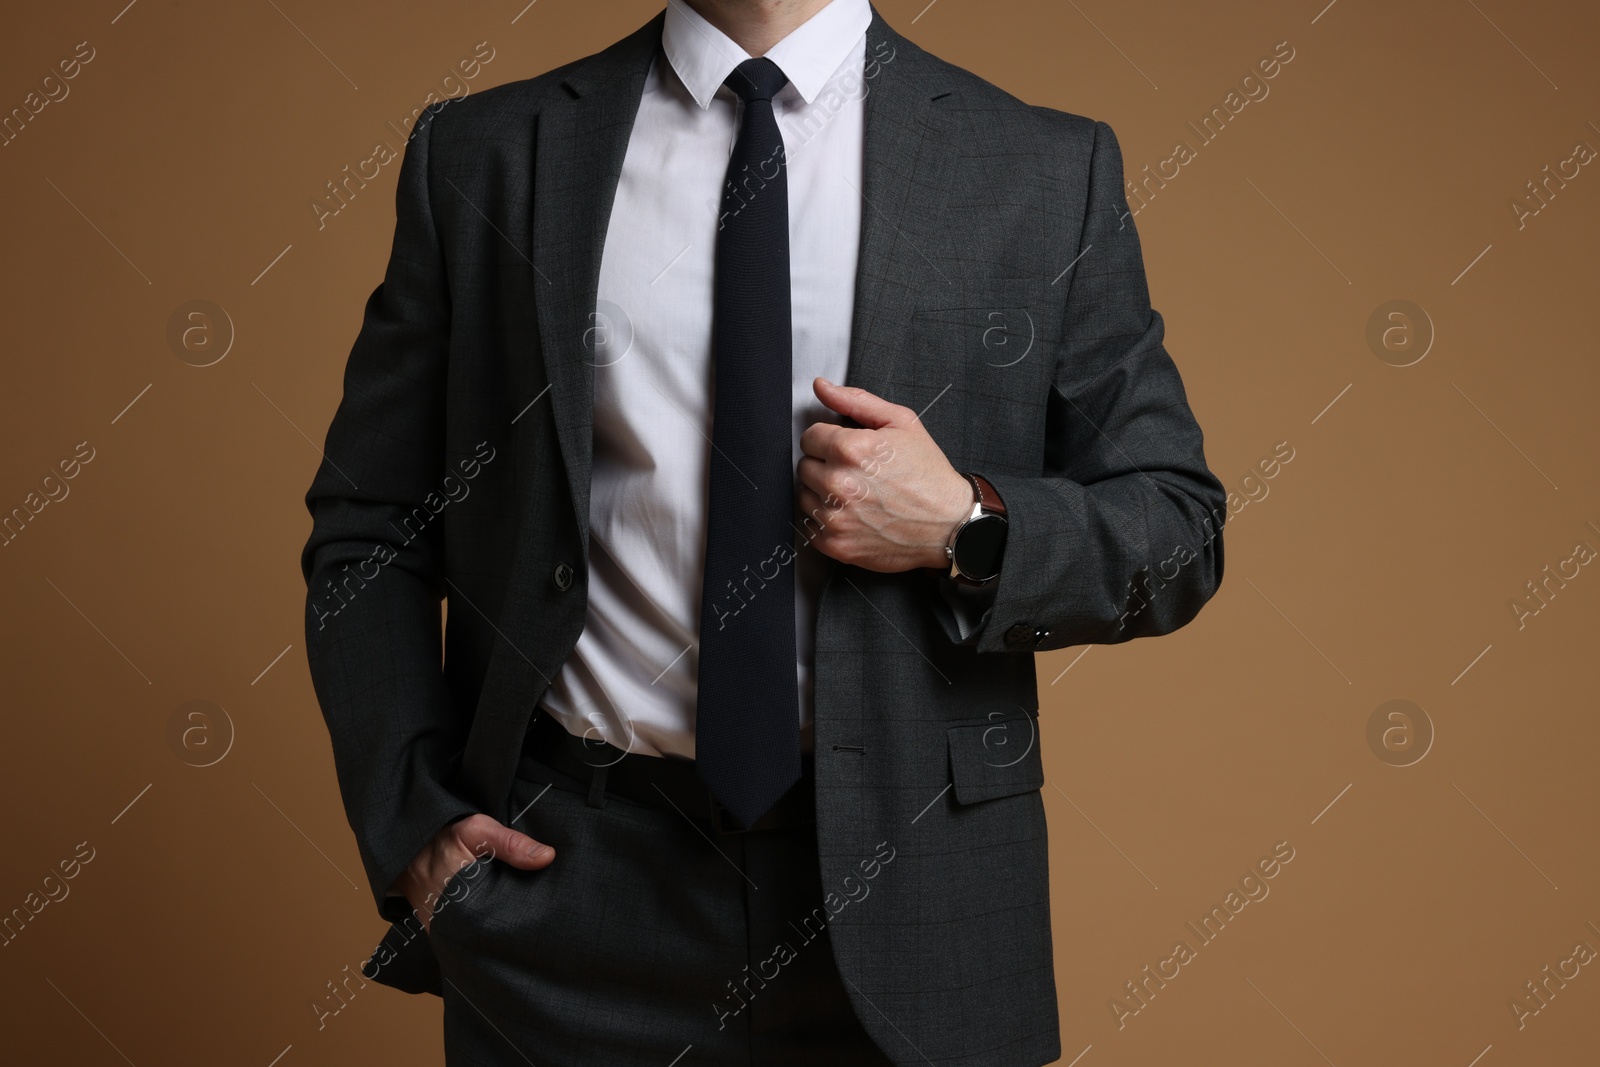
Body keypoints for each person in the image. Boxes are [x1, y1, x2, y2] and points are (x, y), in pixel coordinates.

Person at [300, 0, 1227, 1063]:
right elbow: (371, 524)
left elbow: (1176, 530)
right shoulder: (488, 151)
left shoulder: (1038, 168)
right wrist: (412, 811)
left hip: (920, 902)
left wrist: (965, 524)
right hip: (565, 894)